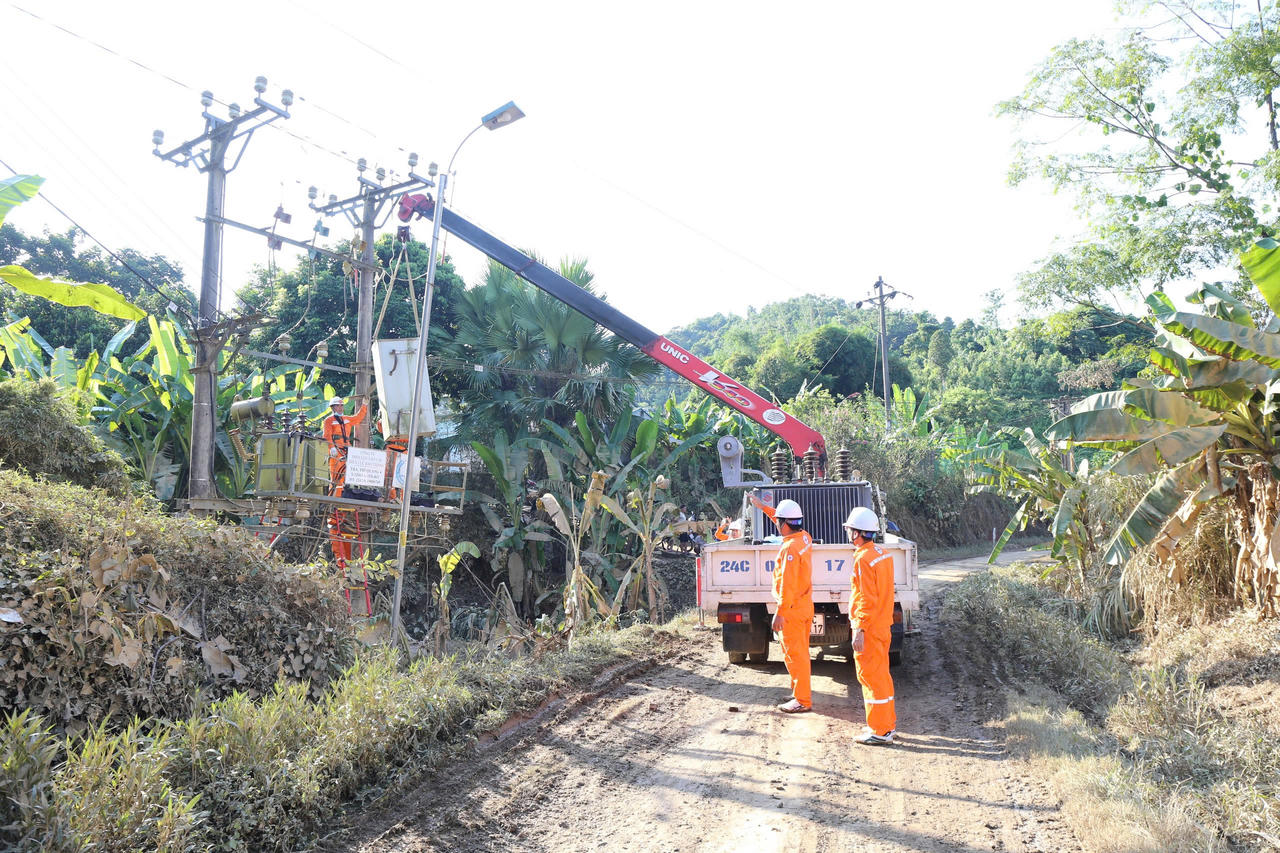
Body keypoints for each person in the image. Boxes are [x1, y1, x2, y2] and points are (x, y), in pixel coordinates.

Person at [750, 493, 813, 713]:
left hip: (792, 610)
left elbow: (787, 584)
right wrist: (762, 507)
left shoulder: (789, 549)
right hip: (804, 605)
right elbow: (782, 518)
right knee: (801, 653)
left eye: (778, 521)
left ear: (784, 524)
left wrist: (780, 612)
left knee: (795, 655)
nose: (776, 523)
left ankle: (802, 700)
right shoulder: (804, 537)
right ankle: (799, 693)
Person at [844, 506, 896, 745]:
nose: (849, 534)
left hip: (870, 628)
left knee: (870, 677)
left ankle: (879, 730)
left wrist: (860, 629)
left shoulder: (863, 559)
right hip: (883, 625)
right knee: (882, 677)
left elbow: (865, 597)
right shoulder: (882, 554)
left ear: (857, 533)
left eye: (850, 530)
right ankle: (887, 726)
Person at [322, 395, 367, 495]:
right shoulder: (328, 421)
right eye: (338, 406)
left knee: (349, 475)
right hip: (336, 450)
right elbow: (327, 436)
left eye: (341, 406)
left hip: (347, 449)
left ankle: (346, 498)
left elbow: (358, 418)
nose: (340, 408)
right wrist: (331, 447)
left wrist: (364, 405)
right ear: (333, 407)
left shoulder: (346, 419)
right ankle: (334, 500)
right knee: (336, 476)